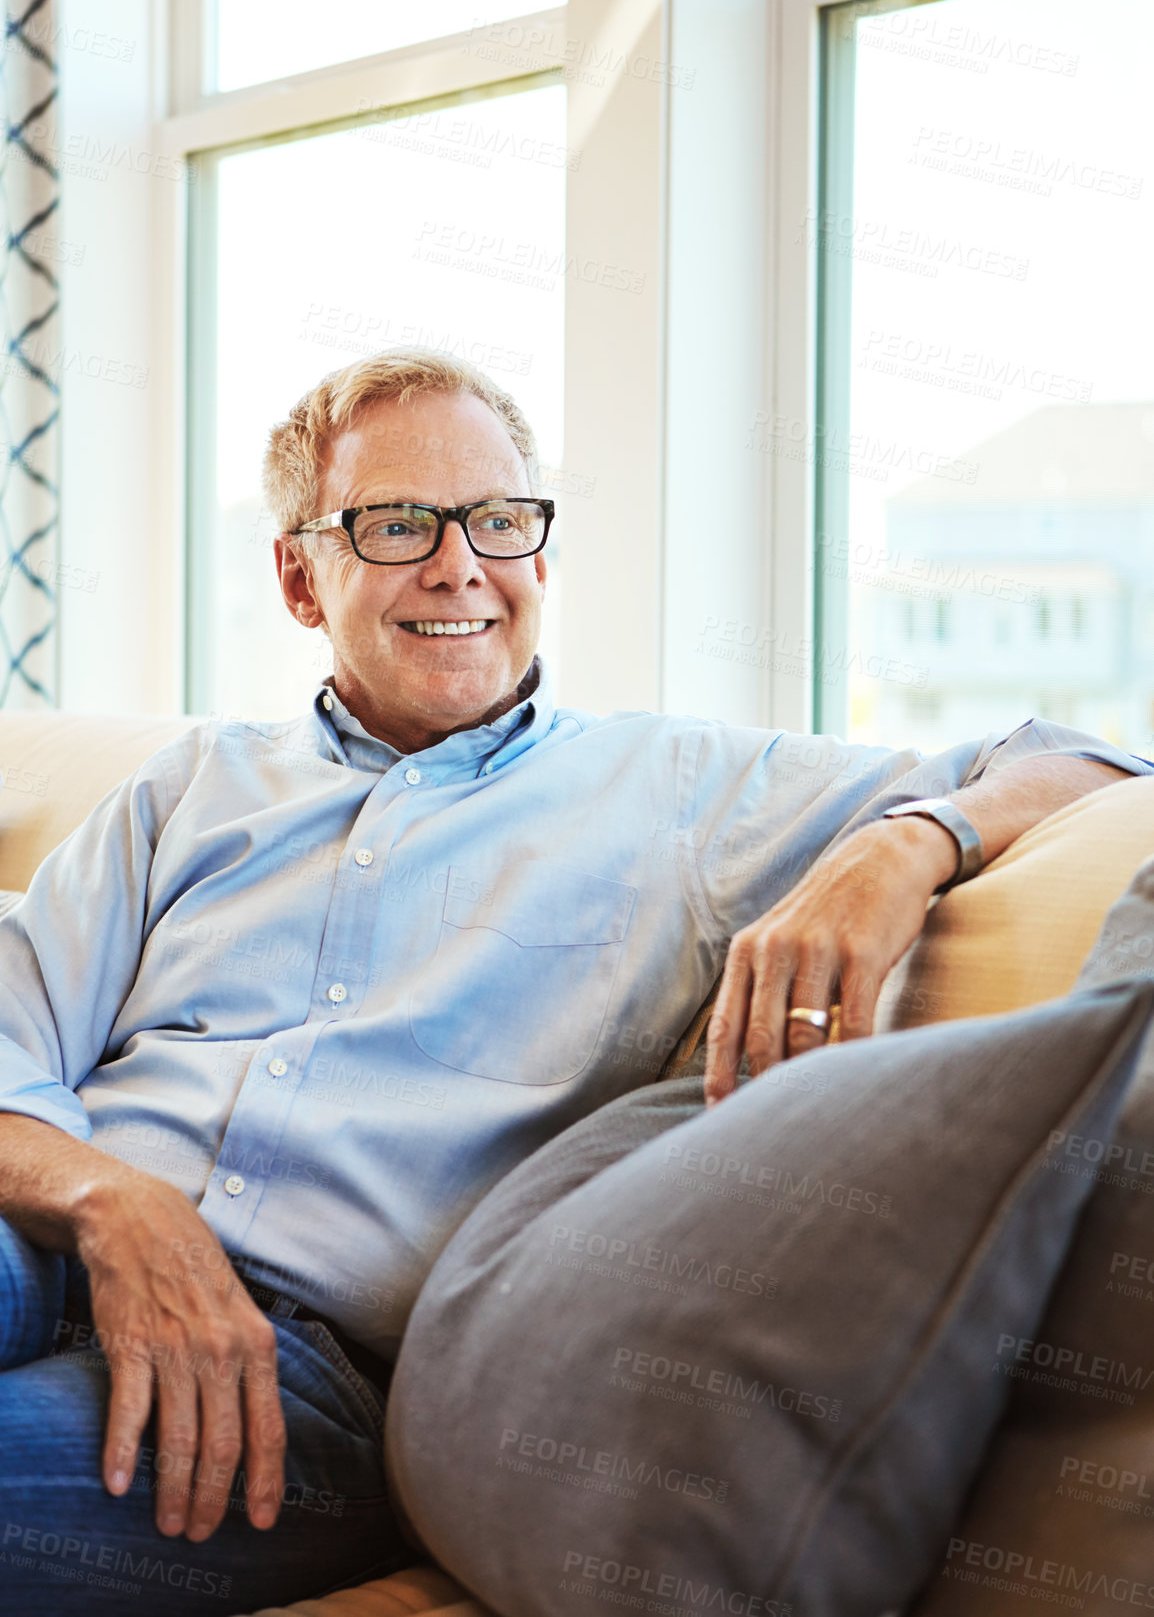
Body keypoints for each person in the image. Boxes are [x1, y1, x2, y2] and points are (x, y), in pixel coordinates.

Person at [0, 348, 1145, 1615]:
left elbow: (1084, 759)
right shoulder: (186, 788)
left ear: (538, 555)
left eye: (498, 520)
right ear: (297, 575)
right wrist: (112, 1205)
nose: (459, 566)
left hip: (290, 1373)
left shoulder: (682, 799)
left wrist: (905, 842)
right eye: (396, 524)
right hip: (50, 1235)